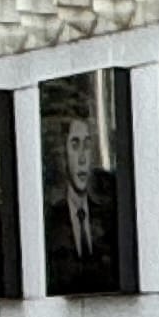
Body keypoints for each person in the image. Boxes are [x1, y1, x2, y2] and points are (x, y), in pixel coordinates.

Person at [52, 113, 115, 282]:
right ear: (64, 154)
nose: (82, 158)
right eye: (74, 145)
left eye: (86, 146)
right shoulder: (51, 221)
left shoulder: (107, 218)